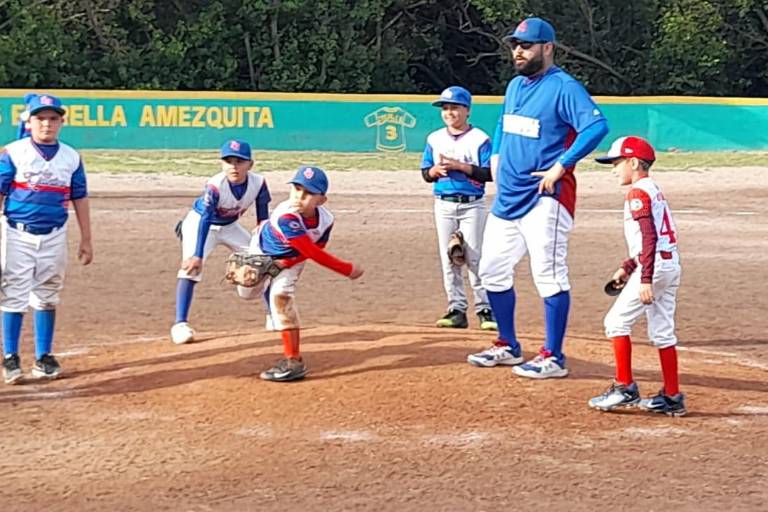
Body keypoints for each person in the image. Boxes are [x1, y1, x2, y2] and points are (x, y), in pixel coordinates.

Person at [467, 17, 609, 377]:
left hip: (546, 197)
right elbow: (503, 123)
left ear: (547, 48)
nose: (518, 50)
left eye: (527, 45)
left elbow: (596, 126)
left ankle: (553, 356)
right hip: (508, 197)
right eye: (515, 44)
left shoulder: (563, 87)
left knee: (548, 275)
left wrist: (561, 166)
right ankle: (508, 344)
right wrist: (496, 157)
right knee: (492, 272)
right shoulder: (515, 85)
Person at [237, 166, 364, 382]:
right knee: (246, 293)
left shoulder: (326, 220)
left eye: (308, 193)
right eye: (296, 189)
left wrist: (286, 262)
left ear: (321, 200)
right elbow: (312, 251)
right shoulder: (286, 215)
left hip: (293, 256)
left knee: (282, 296)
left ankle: (293, 360)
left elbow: (317, 246)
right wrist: (347, 269)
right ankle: (266, 286)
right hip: (261, 251)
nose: (299, 196)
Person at [589, 136, 686, 416]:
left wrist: (644, 278)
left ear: (633, 162)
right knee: (662, 331)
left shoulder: (637, 193)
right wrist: (628, 266)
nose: (613, 169)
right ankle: (671, 395)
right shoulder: (653, 188)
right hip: (669, 264)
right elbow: (653, 238)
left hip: (654, 268)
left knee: (616, 322)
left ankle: (624, 388)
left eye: (617, 163)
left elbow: (648, 236)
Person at [0, 93, 93, 384]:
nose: (47, 124)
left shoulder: (71, 156)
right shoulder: (13, 152)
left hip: (54, 234)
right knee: (14, 293)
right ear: (30, 121)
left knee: (48, 293)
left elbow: (79, 196)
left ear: (61, 122)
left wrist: (86, 238)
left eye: (53, 118)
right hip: (17, 232)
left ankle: (43, 356)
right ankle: (11, 357)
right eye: (40, 118)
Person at [171, 139, 271, 344]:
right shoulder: (216, 185)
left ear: (250, 164)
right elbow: (206, 218)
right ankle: (180, 324)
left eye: (239, 161)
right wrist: (197, 254)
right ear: (221, 164)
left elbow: (263, 219)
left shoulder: (258, 183)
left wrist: (263, 246)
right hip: (200, 224)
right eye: (228, 161)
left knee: (265, 262)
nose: (233, 166)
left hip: (230, 226)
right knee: (190, 267)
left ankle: (273, 315)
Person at [421, 86, 497, 331]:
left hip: (472, 205)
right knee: (448, 259)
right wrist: (434, 171)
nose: (449, 112)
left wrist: (460, 167)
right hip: (443, 204)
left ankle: (485, 309)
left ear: (467, 110)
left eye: (454, 107)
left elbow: (489, 173)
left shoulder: (480, 139)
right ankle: (456, 309)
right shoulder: (434, 138)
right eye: (445, 108)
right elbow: (426, 173)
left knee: (475, 257)